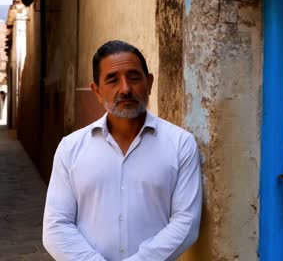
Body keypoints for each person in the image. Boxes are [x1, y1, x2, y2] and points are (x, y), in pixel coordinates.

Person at [43, 40, 202, 261]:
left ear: (149, 83)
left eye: (134, 77)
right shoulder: (70, 148)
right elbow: (56, 226)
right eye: (112, 79)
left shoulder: (180, 144)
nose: (125, 88)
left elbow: (186, 222)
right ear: (96, 91)